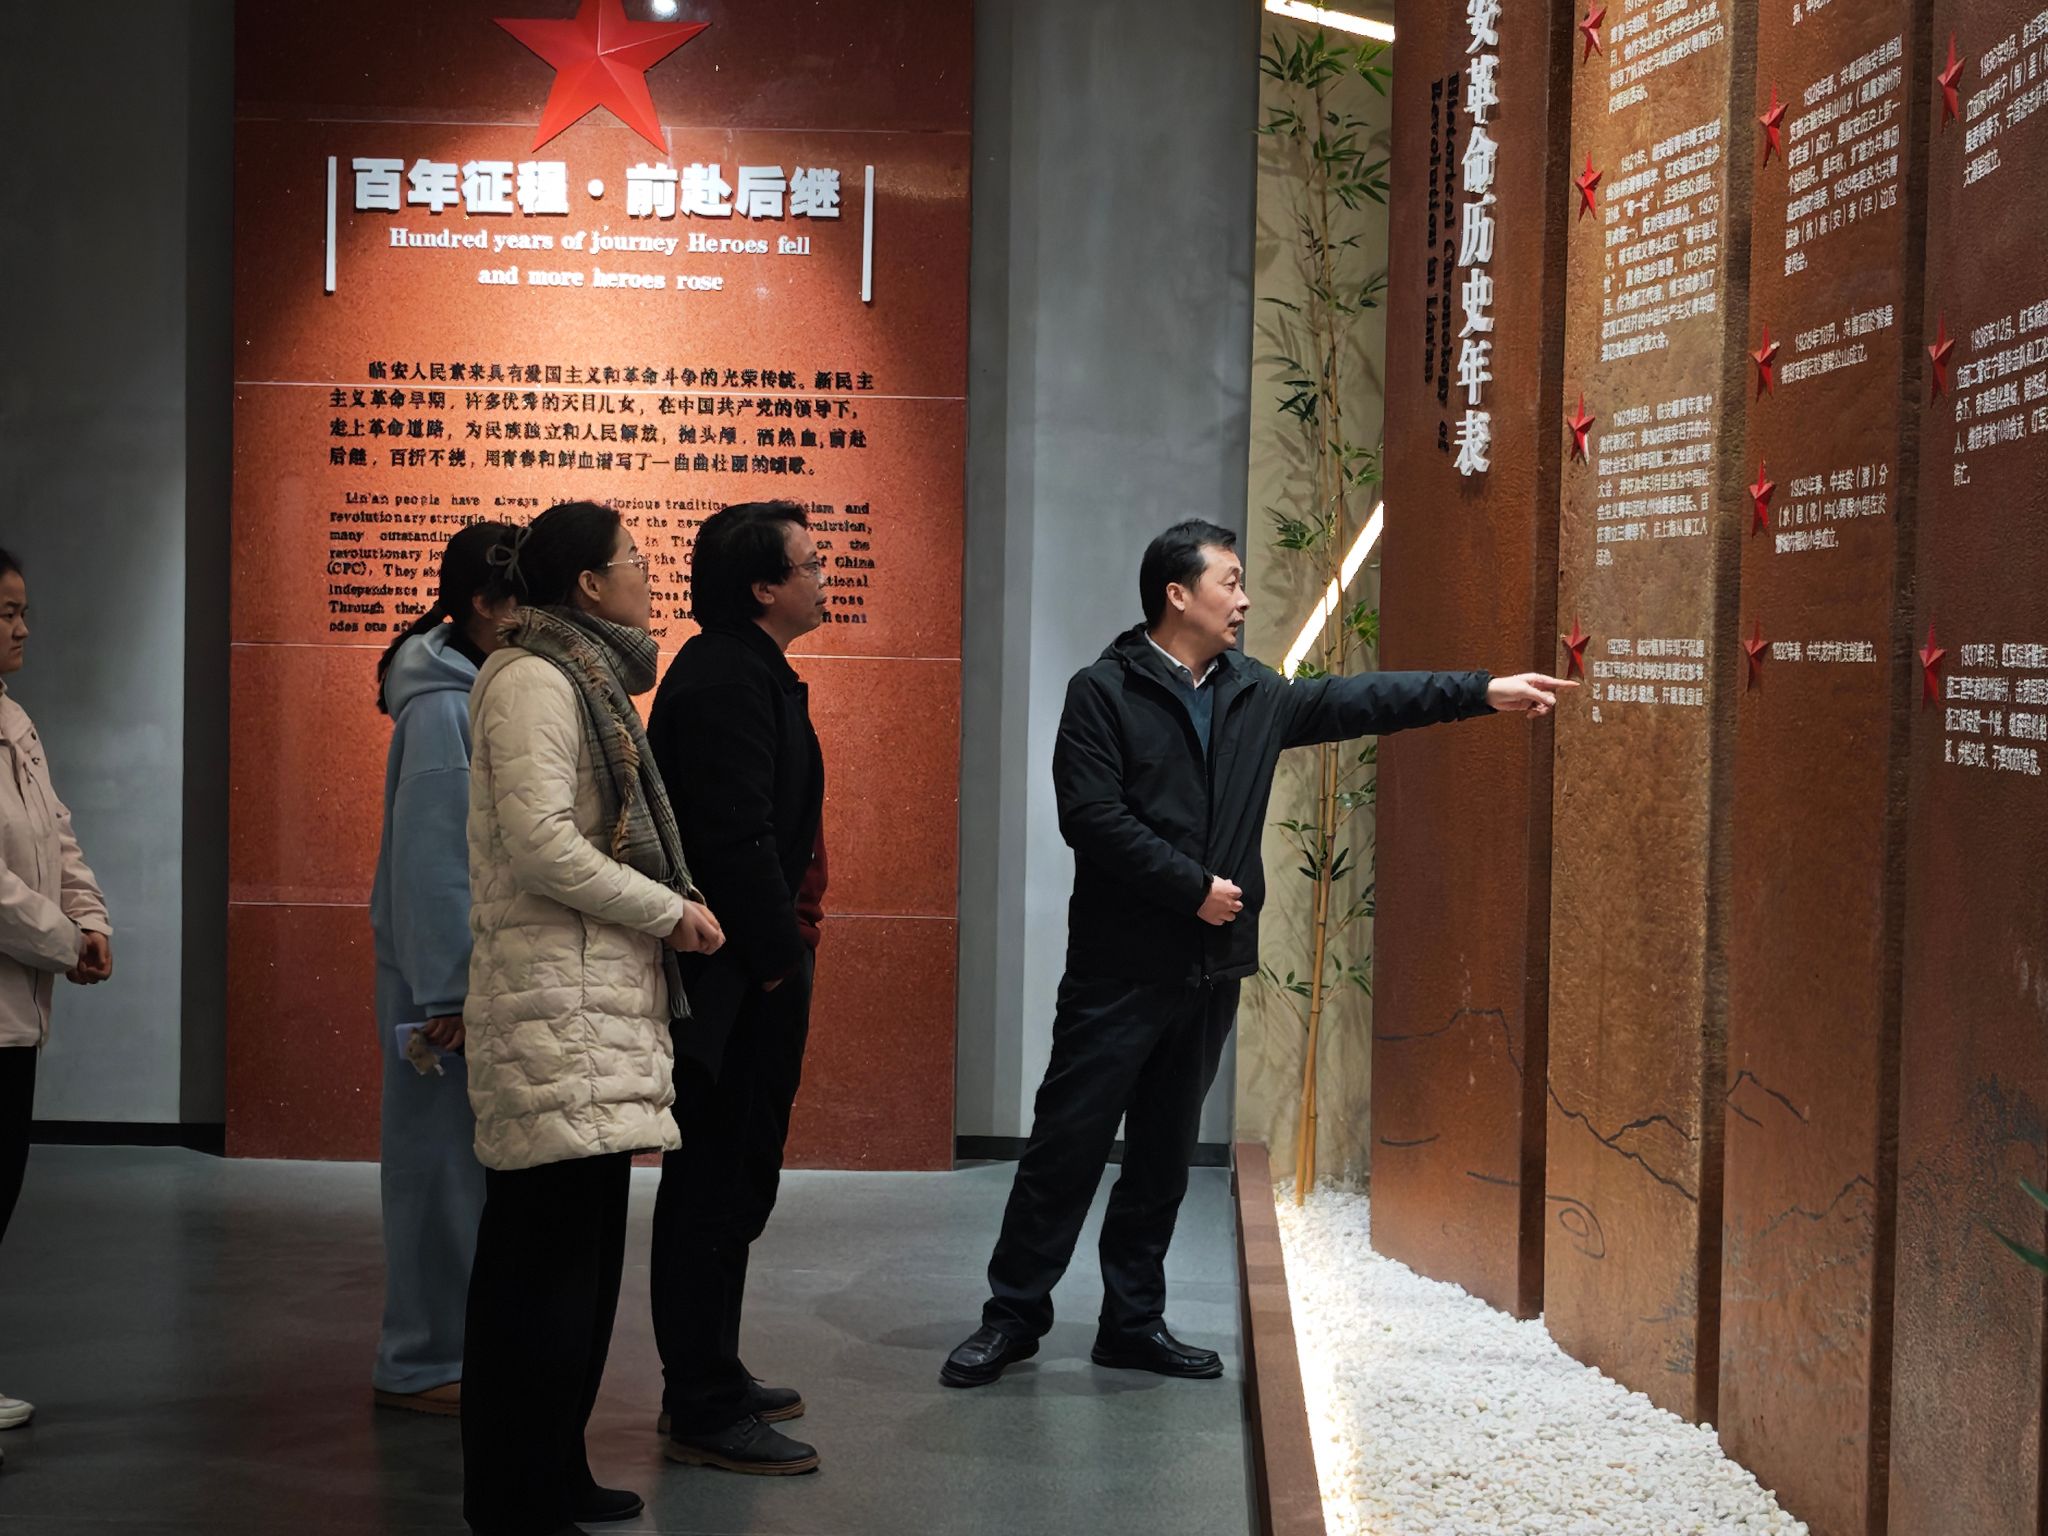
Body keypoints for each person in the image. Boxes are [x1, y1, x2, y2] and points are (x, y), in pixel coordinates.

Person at [941, 518, 1573, 1388]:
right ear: (1178, 595)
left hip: (1209, 972)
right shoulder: (1103, 691)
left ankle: (1132, 1323)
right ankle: (1011, 1319)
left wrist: (1482, 691)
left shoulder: (1253, 692)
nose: (1242, 600)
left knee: (1162, 1160)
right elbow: (1090, 818)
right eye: (1229, 583)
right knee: (1065, 1149)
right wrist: (1190, 888)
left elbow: (1361, 701)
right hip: (1117, 971)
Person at [460, 501, 725, 1536]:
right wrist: (667, 909)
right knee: (538, 1269)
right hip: (554, 1008)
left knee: (582, 1263)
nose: (648, 576)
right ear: (587, 584)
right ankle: (512, 1494)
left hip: (588, 1003)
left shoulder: (581, 674)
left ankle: (554, 1471)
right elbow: (540, 846)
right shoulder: (532, 677)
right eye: (635, 560)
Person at [647, 501, 830, 1476]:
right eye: (810, 563)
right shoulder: (724, 677)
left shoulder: (744, 668)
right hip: (733, 982)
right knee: (715, 1186)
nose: (824, 576)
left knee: (731, 1178)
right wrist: (775, 961)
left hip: (749, 969)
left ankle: (708, 1373)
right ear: (763, 586)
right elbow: (736, 840)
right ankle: (703, 1403)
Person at [368, 520, 517, 1417]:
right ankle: (422, 1360)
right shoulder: (442, 706)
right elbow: (433, 862)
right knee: (438, 1170)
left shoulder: (471, 689)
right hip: (442, 981)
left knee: (463, 1170)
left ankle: (453, 1349)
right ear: (483, 605)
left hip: (460, 972)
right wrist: (447, 992)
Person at [0, 547, 111, 1469]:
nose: (22, 628)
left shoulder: (15, 719)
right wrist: (63, 940)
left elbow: (57, 835)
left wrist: (91, 918)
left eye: (23, 610)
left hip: (18, 1010)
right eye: (5, 612)